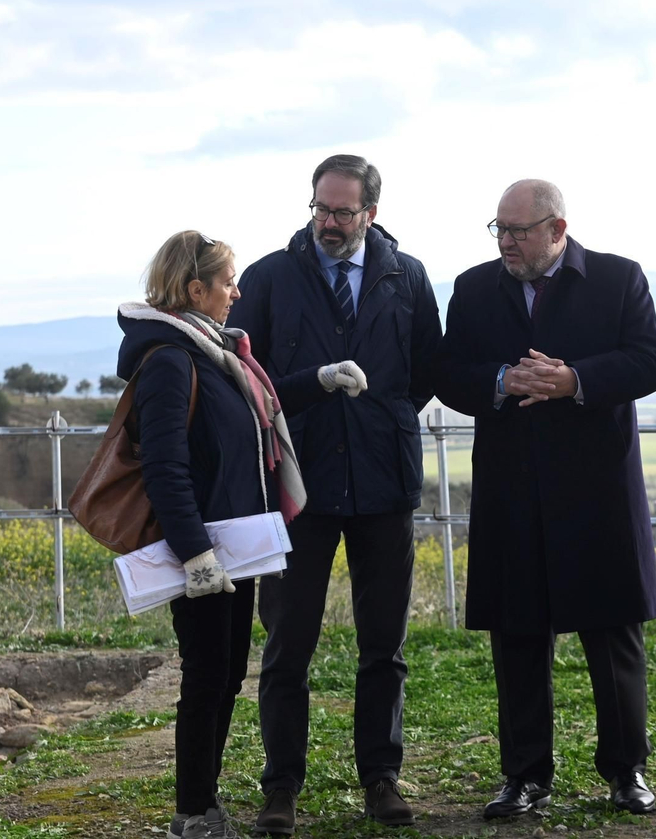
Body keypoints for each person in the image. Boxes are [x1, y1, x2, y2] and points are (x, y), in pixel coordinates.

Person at [435, 179, 656, 820]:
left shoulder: (620, 279)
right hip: (512, 491)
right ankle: (525, 777)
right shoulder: (474, 288)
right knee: (517, 637)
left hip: (597, 493)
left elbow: (648, 363)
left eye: (519, 230)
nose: (506, 242)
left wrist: (574, 380)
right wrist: (504, 380)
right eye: (499, 229)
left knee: (611, 635)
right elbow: (448, 374)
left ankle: (626, 771)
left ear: (557, 229)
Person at [227, 154, 440, 832]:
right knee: (289, 643)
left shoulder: (405, 277)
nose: (328, 221)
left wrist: (379, 420)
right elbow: (245, 381)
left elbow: (424, 371)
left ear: (370, 213)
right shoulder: (269, 277)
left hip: (384, 483)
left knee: (385, 644)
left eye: (342, 211)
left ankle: (381, 778)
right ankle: (281, 786)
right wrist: (313, 385)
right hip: (298, 488)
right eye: (320, 207)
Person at [119, 231, 339, 839]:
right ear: (195, 289)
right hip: (205, 550)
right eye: (227, 282)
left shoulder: (215, 351)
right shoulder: (169, 359)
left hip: (234, 547)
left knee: (226, 672)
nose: (237, 293)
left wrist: (317, 380)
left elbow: (254, 410)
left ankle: (205, 802)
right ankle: (192, 811)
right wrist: (195, 555)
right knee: (207, 675)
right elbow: (165, 468)